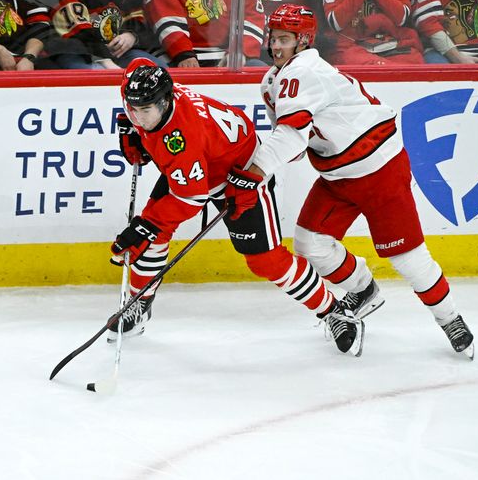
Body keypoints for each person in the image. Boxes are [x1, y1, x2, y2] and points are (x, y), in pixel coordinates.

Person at [230, 3, 475, 358]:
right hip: (336, 175)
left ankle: (449, 318)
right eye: (273, 37)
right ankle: (363, 291)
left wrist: (252, 174)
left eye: (284, 38)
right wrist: (260, 167)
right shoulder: (273, 82)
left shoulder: (305, 70)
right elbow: (295, 143)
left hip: (380, 171)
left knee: (408, 257)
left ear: (303, 41)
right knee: (310, 244)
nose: (275, 45)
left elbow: (291, 137)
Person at [108, 57, 364, 355]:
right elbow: (138, 67)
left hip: (241, 175)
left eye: (144, 111)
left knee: (265, 261)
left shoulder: (182, 136)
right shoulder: (153, 97)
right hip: (201, 164)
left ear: (165, 103)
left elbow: (192, 198)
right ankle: (140, 302)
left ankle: (334, 311)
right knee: (155, 234)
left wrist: (146, 225)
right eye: (132, 109)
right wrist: (132, 125)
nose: (138, 116)